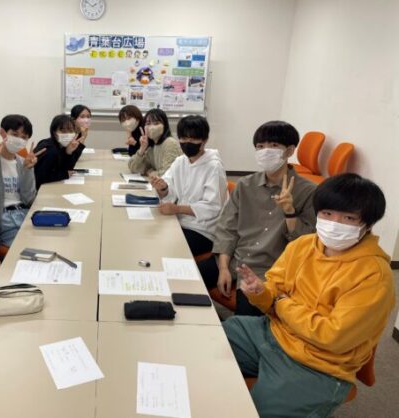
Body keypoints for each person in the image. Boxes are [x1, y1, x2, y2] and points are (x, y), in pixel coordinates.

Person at [224, 173, 395, 418]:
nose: (334, 223)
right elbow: (274, 291)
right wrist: (260, 292)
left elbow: (332, 336)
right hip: (272, 333)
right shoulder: (302, 245)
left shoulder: (374, 276)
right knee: (206, 342)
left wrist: (279, 302)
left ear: (367, 225)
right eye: (327, 214)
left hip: (318, 365)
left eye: (348, 218)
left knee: (256, 412)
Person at [199, 121, 316, 315]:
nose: (265, 151)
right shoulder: (245, 185)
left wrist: (289, 212)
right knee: (184, 283)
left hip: (268, 270)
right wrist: (223, 268)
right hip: (234, 259)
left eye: (273, 145)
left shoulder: (308, 191)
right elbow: (227, 228)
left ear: (289, 150)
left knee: (245, 321)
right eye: (260, 147)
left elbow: (306, 243)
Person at [152, 115, 227, 256]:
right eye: (184, 138)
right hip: (180, 221)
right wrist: (163, 188)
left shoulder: (213, 167)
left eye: (193, 139)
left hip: (203, 231)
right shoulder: (180, 161)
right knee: (153, 238)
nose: (187, 143)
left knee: (166, 250)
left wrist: (177, 208)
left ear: (204, 140)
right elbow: (169, 191)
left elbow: (212, 207)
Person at [0, 114, 45, 248]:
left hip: (25, 214)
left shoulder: (23, 162)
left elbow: (29, 199)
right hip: (2, 218)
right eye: (15, 134)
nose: (19, 140)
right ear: (3, 133)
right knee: (28, 249)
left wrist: (27, 170)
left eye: (24, 137)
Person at [33, 114, 85, 188]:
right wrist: (65, 174)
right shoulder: (50, 149)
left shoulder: (63, 146)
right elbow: (40, 177)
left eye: (70, 131)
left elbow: (67, 168)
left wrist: (68, 152)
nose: (67, 134)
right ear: (55, 132)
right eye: (63, 131)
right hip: (39, 189)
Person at [127, 108, 182, 176]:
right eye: (148, 123)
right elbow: (133, 168)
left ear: (165, 125)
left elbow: (168, 174)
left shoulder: (170, 143)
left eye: (156, 123)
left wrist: (150, 172)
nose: (152, 127)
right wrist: (142, 149)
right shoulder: (152, 147)